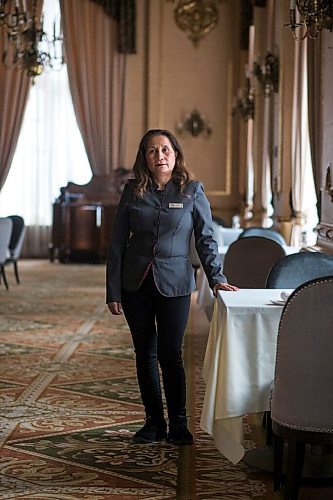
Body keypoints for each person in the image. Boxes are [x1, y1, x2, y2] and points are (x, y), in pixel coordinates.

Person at [106, 129, 239, 446]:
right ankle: (153, 422)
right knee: (145, 354)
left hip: (176, 283)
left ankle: (179, 423)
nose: (159, 155)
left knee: (171, 354)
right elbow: (116, 244)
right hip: (134, 283)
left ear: (176, 154)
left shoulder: (192, 191)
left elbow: (207, 240)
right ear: (145, 157)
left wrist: (217, 278)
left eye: (165, 149)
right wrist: (112, 291)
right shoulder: (132, 191)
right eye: (152, 150)